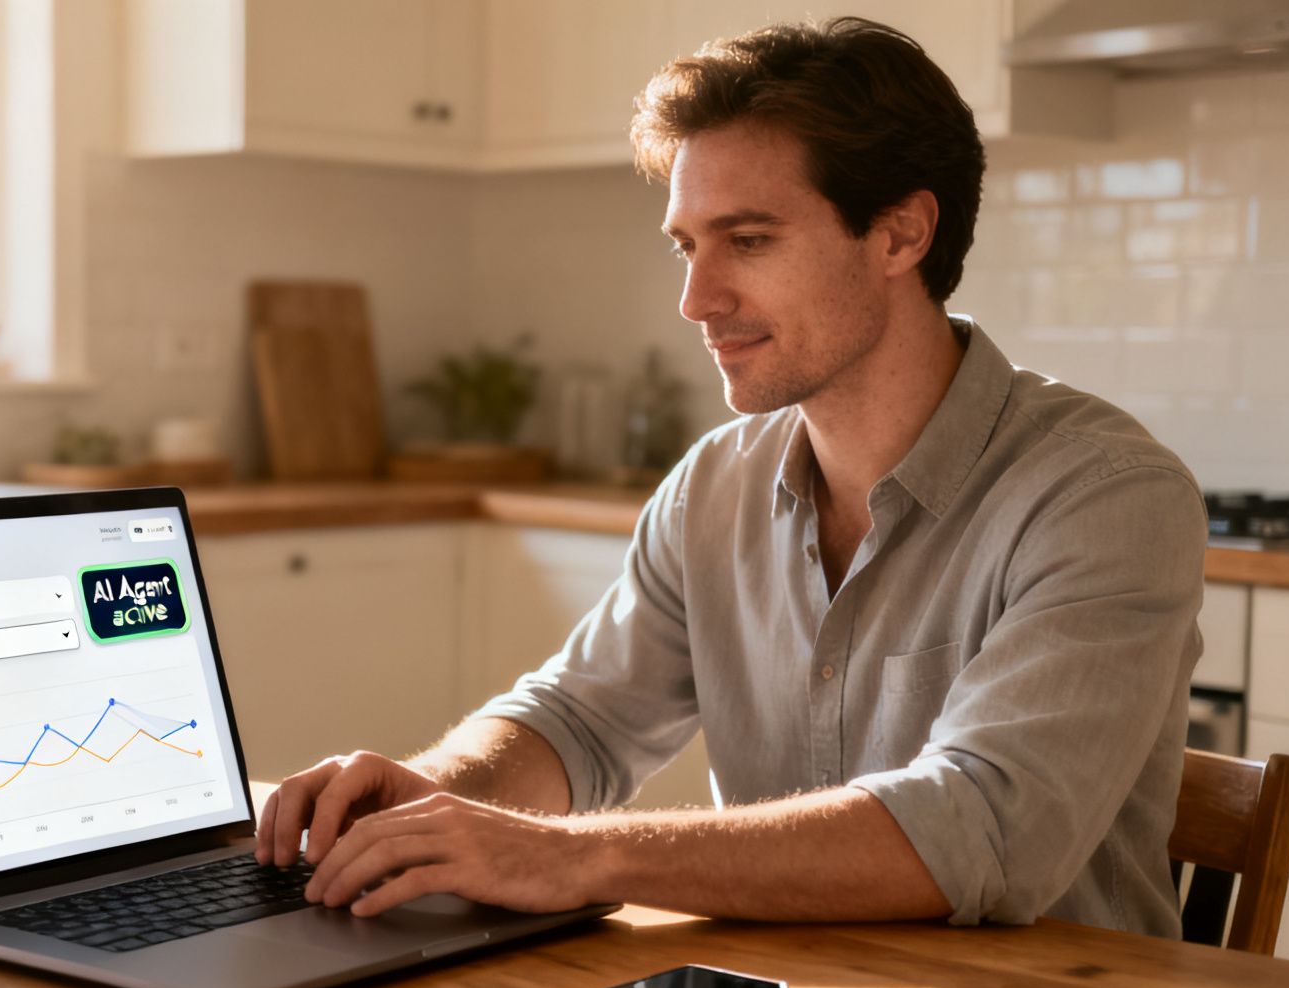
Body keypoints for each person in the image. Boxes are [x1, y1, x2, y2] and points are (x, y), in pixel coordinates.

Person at [257, 17, 1205, 938]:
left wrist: (570, 858)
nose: (696, 300)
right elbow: (580, 722)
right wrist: (431, 797)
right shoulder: (715, 486)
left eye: (748, 241)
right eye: (687, 245)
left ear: (901, 235)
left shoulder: (1106, 497)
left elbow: (984, 828)